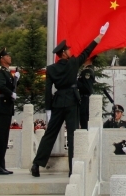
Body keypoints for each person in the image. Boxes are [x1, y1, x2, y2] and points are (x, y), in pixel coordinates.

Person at [31, 22, 109, 178]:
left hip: (58, 102)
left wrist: (48, 109)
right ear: (64, 54)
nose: (70, 51)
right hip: (72, 101)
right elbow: (87, 52)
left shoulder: (51, 69)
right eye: (68, 50)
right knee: (73, 135)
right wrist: (100, 35)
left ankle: (36, 165)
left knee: (50, 134)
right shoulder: (73, 63)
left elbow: (48, 90)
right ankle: (72, 169)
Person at [0, 48, 18, 175]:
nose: (9, 57)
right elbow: (1, 86)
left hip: (7, 108)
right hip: (2, 106)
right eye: (7, 56)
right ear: (2, 59)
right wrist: (11, 93)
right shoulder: (1, 72)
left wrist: (16, 79)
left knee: (4, 139)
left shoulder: (8, 72)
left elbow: (11, 86)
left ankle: (1, 165)